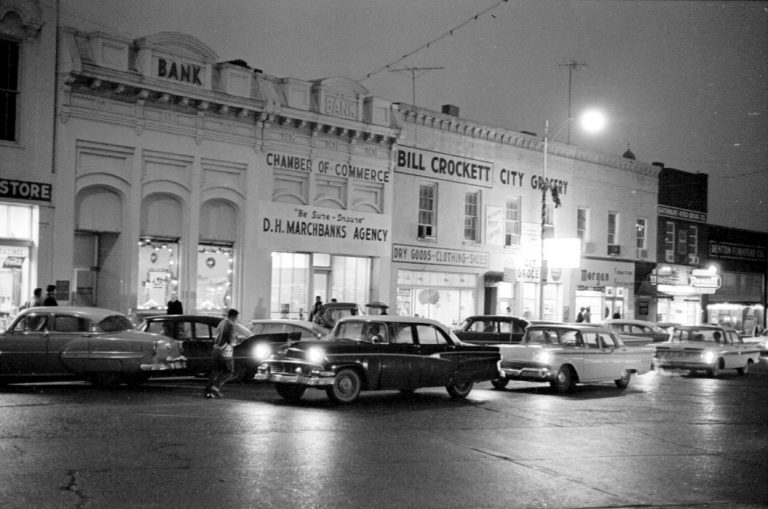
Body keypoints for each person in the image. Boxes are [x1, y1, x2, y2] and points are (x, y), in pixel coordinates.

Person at [205, 308, 240, 398]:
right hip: (226, 351)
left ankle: (208, 390)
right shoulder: (230, 325)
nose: (236, 319)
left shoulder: (222, 323)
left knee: (216, 371)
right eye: (236, 317)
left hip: (216, 349)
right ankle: (215, 388)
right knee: (229, 372)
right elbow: (231, 340)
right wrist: (237, 341)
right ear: (234, 316)